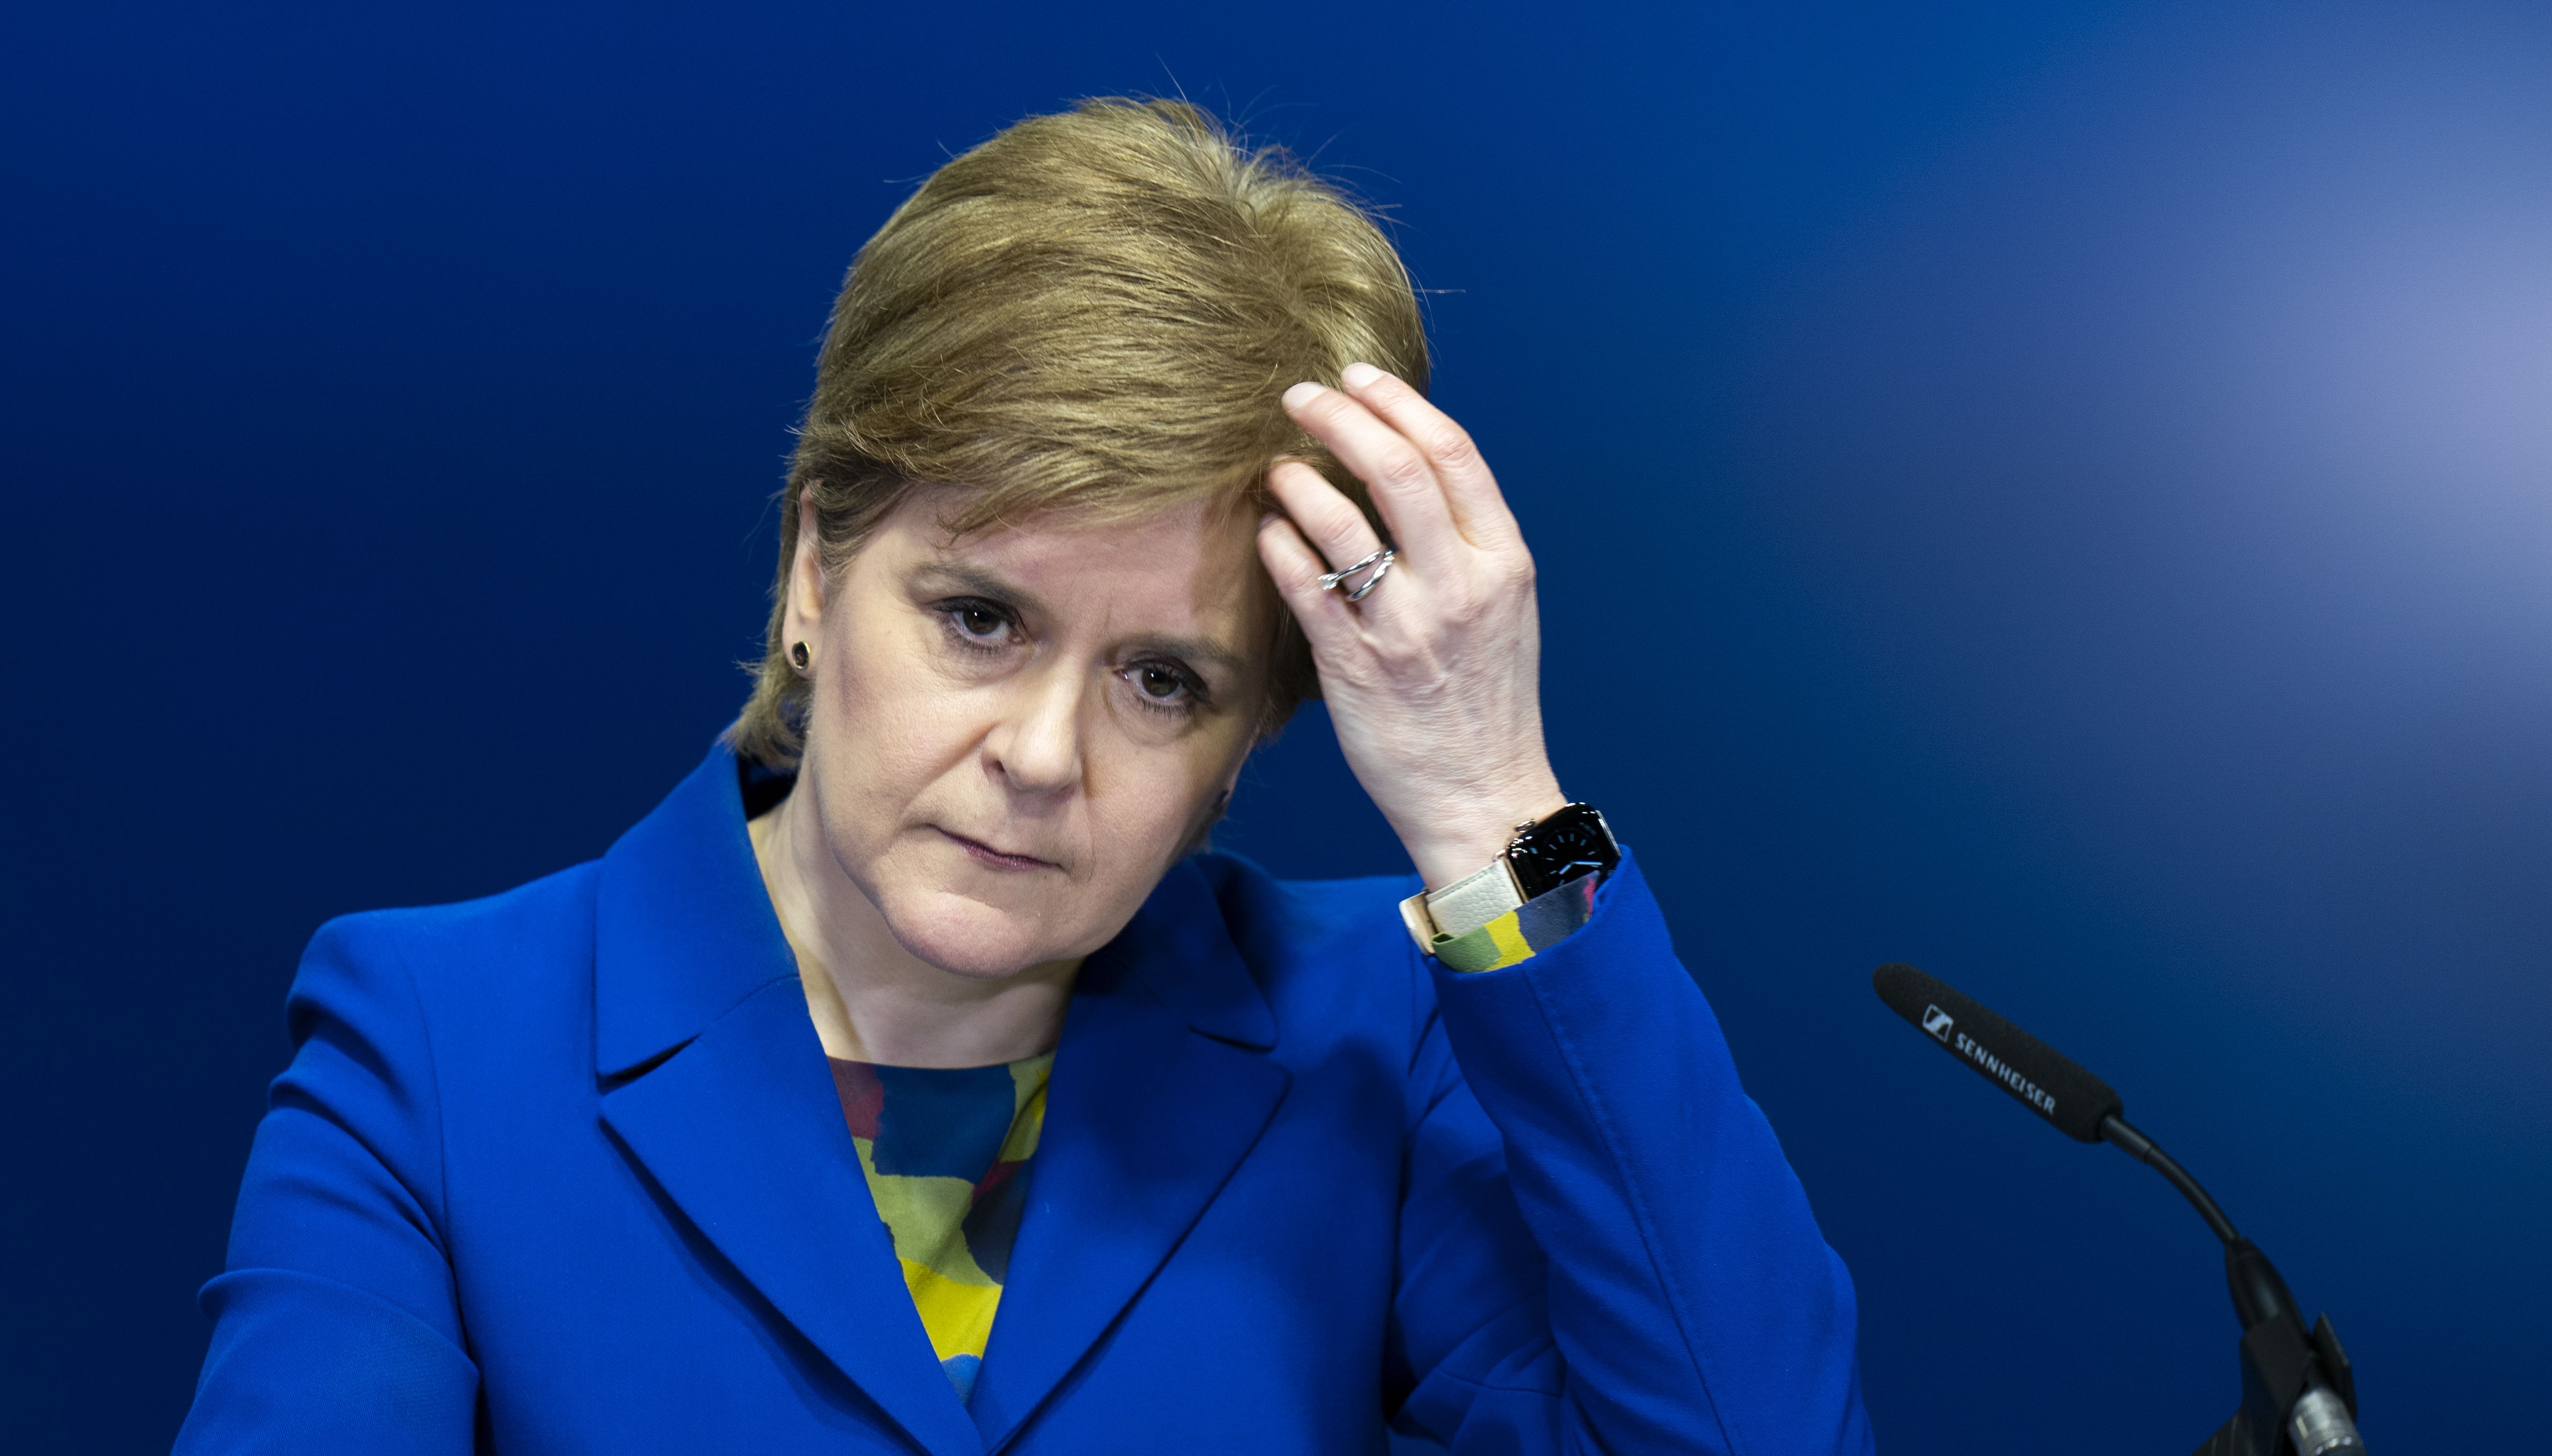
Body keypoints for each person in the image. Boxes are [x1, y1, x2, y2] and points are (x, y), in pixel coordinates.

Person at [174, 98, 1874, 1454]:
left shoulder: (1380, 1031)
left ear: (1244, 744)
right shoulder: (436, 1035)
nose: (1043, 757)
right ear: (813, 577)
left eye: (1163, 680)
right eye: (979, 618)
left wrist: (1500, 804)